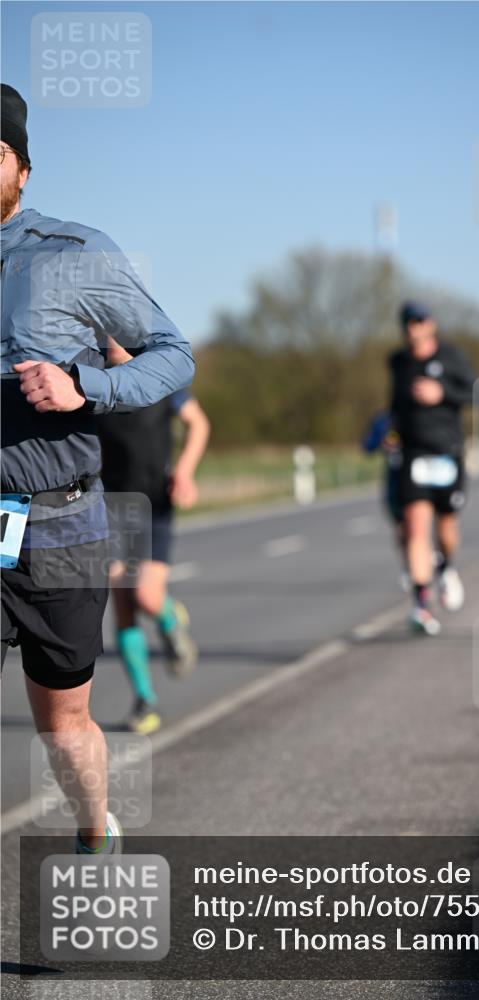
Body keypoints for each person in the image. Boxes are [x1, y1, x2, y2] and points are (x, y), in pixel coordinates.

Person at [0, 84, 195, 854]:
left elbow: (172, 355)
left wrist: (87, 386)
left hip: (57, 526)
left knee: (63, 723)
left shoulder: (73, 257)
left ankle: (93, 829)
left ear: (17, 164)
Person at [97, 337, 210, 734]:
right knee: (123, 602)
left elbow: (198, 424)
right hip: (111, 506)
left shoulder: (160, 376)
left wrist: (185, 471)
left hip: (155, 504)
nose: (109, 339)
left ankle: (167, 616)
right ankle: (144, 700)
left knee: (145, 594)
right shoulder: (92, 380)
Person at [388, 301, 475, 636]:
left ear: (431, 324)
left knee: (446, 528)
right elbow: (394, 405)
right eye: (408, 322)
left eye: (419, 321)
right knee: (415, 527)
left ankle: (447, 566)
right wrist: (391, 433)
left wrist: (442, 392)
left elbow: (476, 393)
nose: (414, 328)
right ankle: (421, 605)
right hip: (412, 454)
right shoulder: (398, 363)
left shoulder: (452, 357)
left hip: (447, 453)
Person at [361, 411, 407, 587]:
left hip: (420, 480)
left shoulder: (419, 414)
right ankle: (409, 566)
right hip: (395, 482)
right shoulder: (383, 420)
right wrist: (382, 442)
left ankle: (433, 559)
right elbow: (367, 446)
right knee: (400, 527)